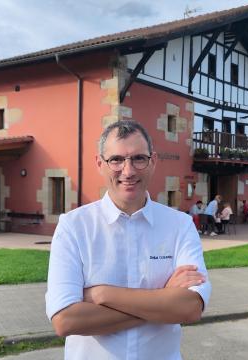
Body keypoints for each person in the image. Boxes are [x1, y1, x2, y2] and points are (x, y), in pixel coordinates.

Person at [46, 120, 211, 359]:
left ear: (153, 161)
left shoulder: (180, 225)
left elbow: (190, 308)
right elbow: (65, 321)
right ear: (99, 163)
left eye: (138, 158)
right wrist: (163, 298)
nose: (128, 171)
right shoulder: (73, 227)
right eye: (116, 160)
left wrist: (102, 294)